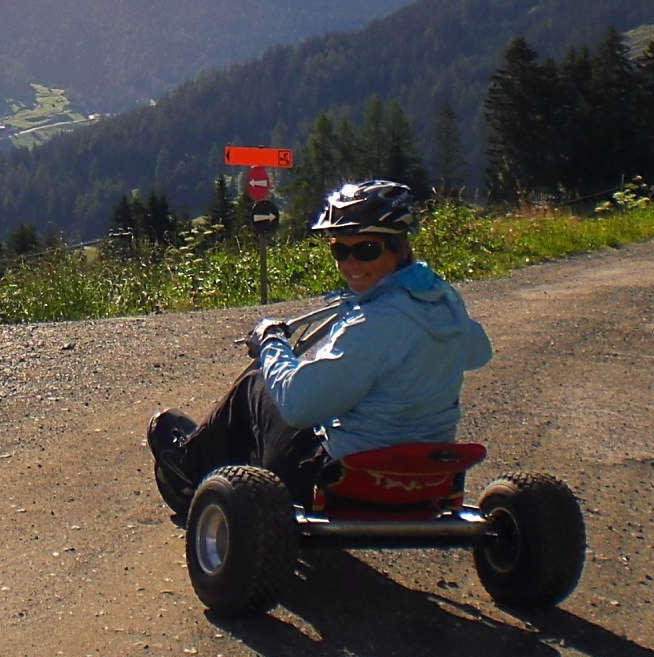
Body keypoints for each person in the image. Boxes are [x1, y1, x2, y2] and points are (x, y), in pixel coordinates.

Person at [148, 178, 492, 511]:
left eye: (367, 250)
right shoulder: (442, 302)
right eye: (340, 250)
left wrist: (271, 342)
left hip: (344, 478)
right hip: (428, 478)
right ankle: (217, 460)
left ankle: (189, 469)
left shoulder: (373, 324)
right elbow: (479, 352)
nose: (350, 264)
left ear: (401, 248)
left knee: (256, 387)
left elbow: (299, 406)